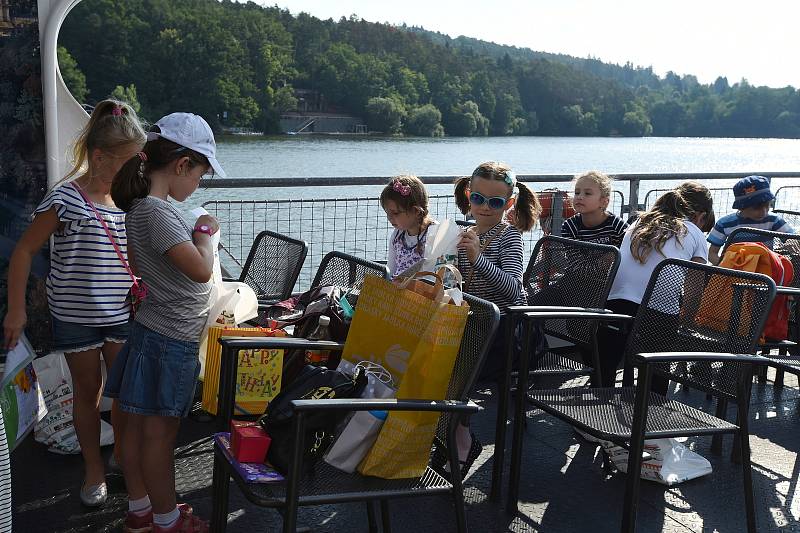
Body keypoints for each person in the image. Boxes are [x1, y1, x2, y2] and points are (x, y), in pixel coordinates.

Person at [3, 99, 146, 507]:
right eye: (127, 163)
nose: (134, 171)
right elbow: (23, 252)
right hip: (76, 319)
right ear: (100, 157)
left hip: (121, 314)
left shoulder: (128, 202)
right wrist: (17, 309)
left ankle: (119, 453)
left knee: (124, 393)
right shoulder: (66, 198)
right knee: (88, 394)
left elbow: (133, 258)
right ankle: (93, 470)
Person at [106, 112, 225, 533]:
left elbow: (141, 267)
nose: (197, 185)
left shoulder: (139, 211)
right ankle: (167, 520)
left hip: (149, 332)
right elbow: (200, 271)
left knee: (137, 431)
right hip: (170, 342)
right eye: (199, 175)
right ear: (181, 166)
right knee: (159, 438)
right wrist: (206, 233)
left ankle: (141, 509)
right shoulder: (159, 213)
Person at [444, 161, 541, 477]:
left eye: (496, 202)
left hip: (507, 331)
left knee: (451, 365)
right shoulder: (463, 233)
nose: (485, 207)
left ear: (509, 204)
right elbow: (456, 284)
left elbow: (513, 288)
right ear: (468, 196)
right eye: (479, 199)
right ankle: (448, 433)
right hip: (475, 323)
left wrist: (476, 258)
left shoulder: (509, 236)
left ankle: (459, 437)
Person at [599, 181, 714, 393]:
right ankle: (651, 410)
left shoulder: (638, 223)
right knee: (658, 368)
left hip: (614, 306)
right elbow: (694, 289)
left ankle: (596, 406)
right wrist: (686, 321)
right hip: (656, 315)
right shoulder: (695, 232)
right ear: (701, 216)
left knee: (607, 359)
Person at [707, 175, 793, 264]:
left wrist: (791, 243)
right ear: (741, 207)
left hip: (766, 268)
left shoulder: (773, 220)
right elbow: (712, 253)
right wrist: (724, 268)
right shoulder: (725, 224)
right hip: (736, 268)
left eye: (767, 205)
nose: (764, 211)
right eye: (757, 208)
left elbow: (791, 238)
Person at [380, 175, 437, 278]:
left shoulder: (434, 233)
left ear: (416, 211)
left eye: (395, 213)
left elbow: (436, 274)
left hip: (422, 291)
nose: (389, 217)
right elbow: (390, 270)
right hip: (397, 290)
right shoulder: (397, 235)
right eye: (387, 213)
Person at [561, 170, 628, 247]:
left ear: (604, 201)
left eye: (587, 193)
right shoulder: (570, 227)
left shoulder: (616, 225)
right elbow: (574, 258)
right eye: (577, 193)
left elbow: (628, 252)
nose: (580, 197)